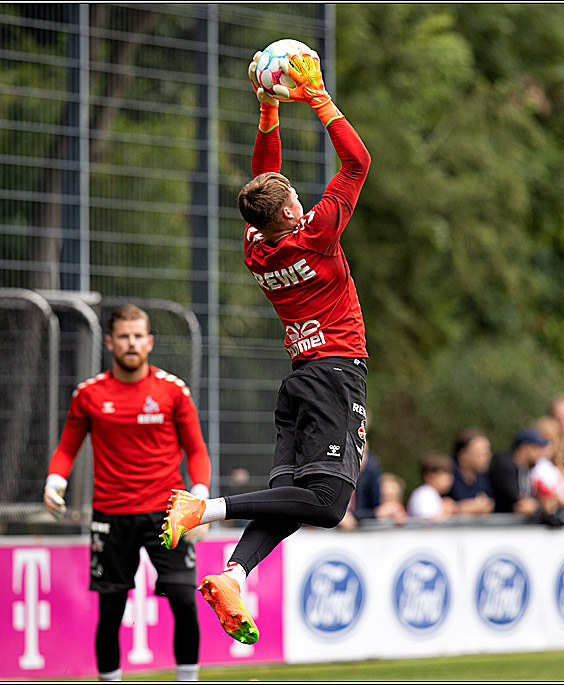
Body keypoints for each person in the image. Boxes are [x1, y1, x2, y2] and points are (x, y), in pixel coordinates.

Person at [157, 48, 371, 646]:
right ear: (291, 210)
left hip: (300, 378)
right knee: (327, 503)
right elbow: (357, 162)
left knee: (287, 501)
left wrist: (268, 111)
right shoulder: (318, 236)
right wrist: (318, 100)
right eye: (295, 196)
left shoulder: (258, 245)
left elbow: (262, 183)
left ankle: (231, 573)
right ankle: (206, 510)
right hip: (333, 372)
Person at [42, 304, 210, 682]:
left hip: (169, 513)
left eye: (138, 336)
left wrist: (199, 498)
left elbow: (196, 450)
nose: (131, 343)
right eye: (124, 336)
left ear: (149, 342)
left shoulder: (172, 391)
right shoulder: (89, 395)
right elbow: (67, 448)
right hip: (111, 516)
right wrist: (55, 481)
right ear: (110, 342)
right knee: (111, 609)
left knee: (184, 601)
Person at [489, 427, 549, 518]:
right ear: (525, 447)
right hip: (498, 526)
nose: (540, 453)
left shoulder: (525, 468)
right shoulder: (505, 465)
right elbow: (518, 501)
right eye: (537, 448)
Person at [446, 427, 495, 515]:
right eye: (481, 453)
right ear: (463, 456)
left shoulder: (481, 477)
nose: (487, 457)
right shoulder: (447, 475)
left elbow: (489, 504)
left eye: (487, 453)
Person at [406, 452, 458, 521]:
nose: (450, 478)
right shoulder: (424, 493)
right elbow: (425, 522)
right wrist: (445, 511)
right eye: (445, 473)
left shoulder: (431, 494)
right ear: (430, 475)